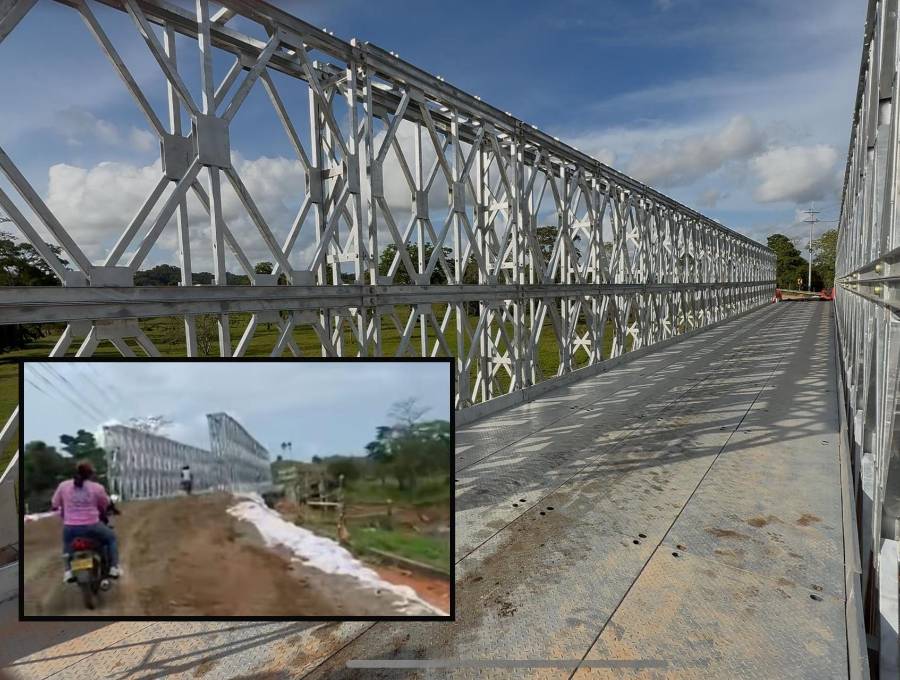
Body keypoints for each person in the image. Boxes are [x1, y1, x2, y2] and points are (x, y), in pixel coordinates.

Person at [51, 460, 122, 584]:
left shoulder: (63, 486)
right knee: (111, 539)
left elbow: (54, 504)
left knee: (67, 545)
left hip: (70, 527)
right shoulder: (97, 488)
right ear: (91, 474)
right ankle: (114, 568)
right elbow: (105, 504)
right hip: (92, 525)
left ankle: (68, 572)